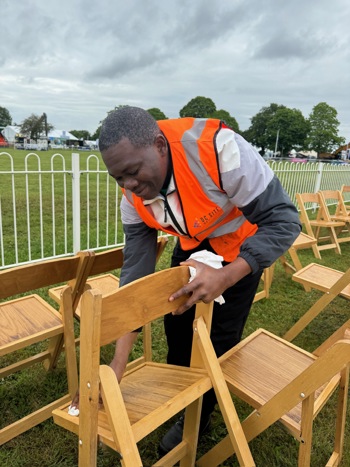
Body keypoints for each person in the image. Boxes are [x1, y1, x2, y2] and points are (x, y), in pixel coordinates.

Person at [98, 106, 301, 454]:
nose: (129, 186)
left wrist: (226, 276)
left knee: (218, 340)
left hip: (241, 247)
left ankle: (200, 416)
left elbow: (283, 220)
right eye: (119, 178)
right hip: (192, 247)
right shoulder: (132, 198)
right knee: (177, 328)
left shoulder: (221, 150)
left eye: (132, 172)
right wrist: (118, 361)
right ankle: (187, 401)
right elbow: (136, 273)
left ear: (160, 146)